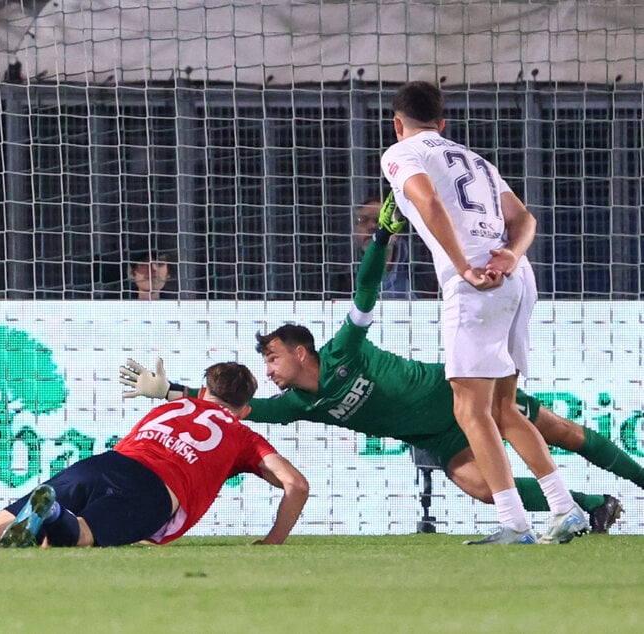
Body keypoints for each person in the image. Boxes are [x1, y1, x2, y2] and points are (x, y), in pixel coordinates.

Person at [119, 200, 631, 539]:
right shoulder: (302, 403)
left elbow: (367, 290)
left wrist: (382, 239)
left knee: (558, 431)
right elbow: (235, 409)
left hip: (459, 392)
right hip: (437, 435)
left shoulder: (345, 349)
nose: (269, 369)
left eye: (273, 357)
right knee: (479, 485)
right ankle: (591, 505)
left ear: (301, 352)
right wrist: (170, 390)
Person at [380, 80, 590, 544]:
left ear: (398, 124)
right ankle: (564, 506)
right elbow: (525, 219)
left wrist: (463, 267)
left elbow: (428, 200)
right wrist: (513, 256)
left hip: (476, 285)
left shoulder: (401, 153)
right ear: (443, 121)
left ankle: (515, 523)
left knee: (469, 408)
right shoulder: (474, 159)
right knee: (503, 407)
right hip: (517, 278)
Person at [0, 361, 309, 549]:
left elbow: (190, 399)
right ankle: (50, 512)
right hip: (156, 491)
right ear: (245, 409)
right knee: (78, 537)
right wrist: (272, 542)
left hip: (106, 463)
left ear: (205, 390)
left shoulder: (175, 405)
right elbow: (296, 486)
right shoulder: (243, 435)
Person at [352, 197, 413, 299]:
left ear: (397, 231)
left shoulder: (420, 276)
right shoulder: (342, 280)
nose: (372, 226)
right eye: (363, 220)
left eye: (380, 220)